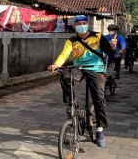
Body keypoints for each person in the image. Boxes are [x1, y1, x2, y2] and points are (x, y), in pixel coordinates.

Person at [47, 15, 114, 148]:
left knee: (99, 97)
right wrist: (56, 64)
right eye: (78, 23)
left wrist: (112, 47)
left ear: (87, 24)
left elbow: (109, 52)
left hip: (96, 69)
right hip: (79, 68)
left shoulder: (98, 36)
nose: (82, 25)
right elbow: (64, 55)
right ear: (74, 26)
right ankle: (73, 102)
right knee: (65, 77)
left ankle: (100, 129)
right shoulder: (71, 41)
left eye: (84, 23)